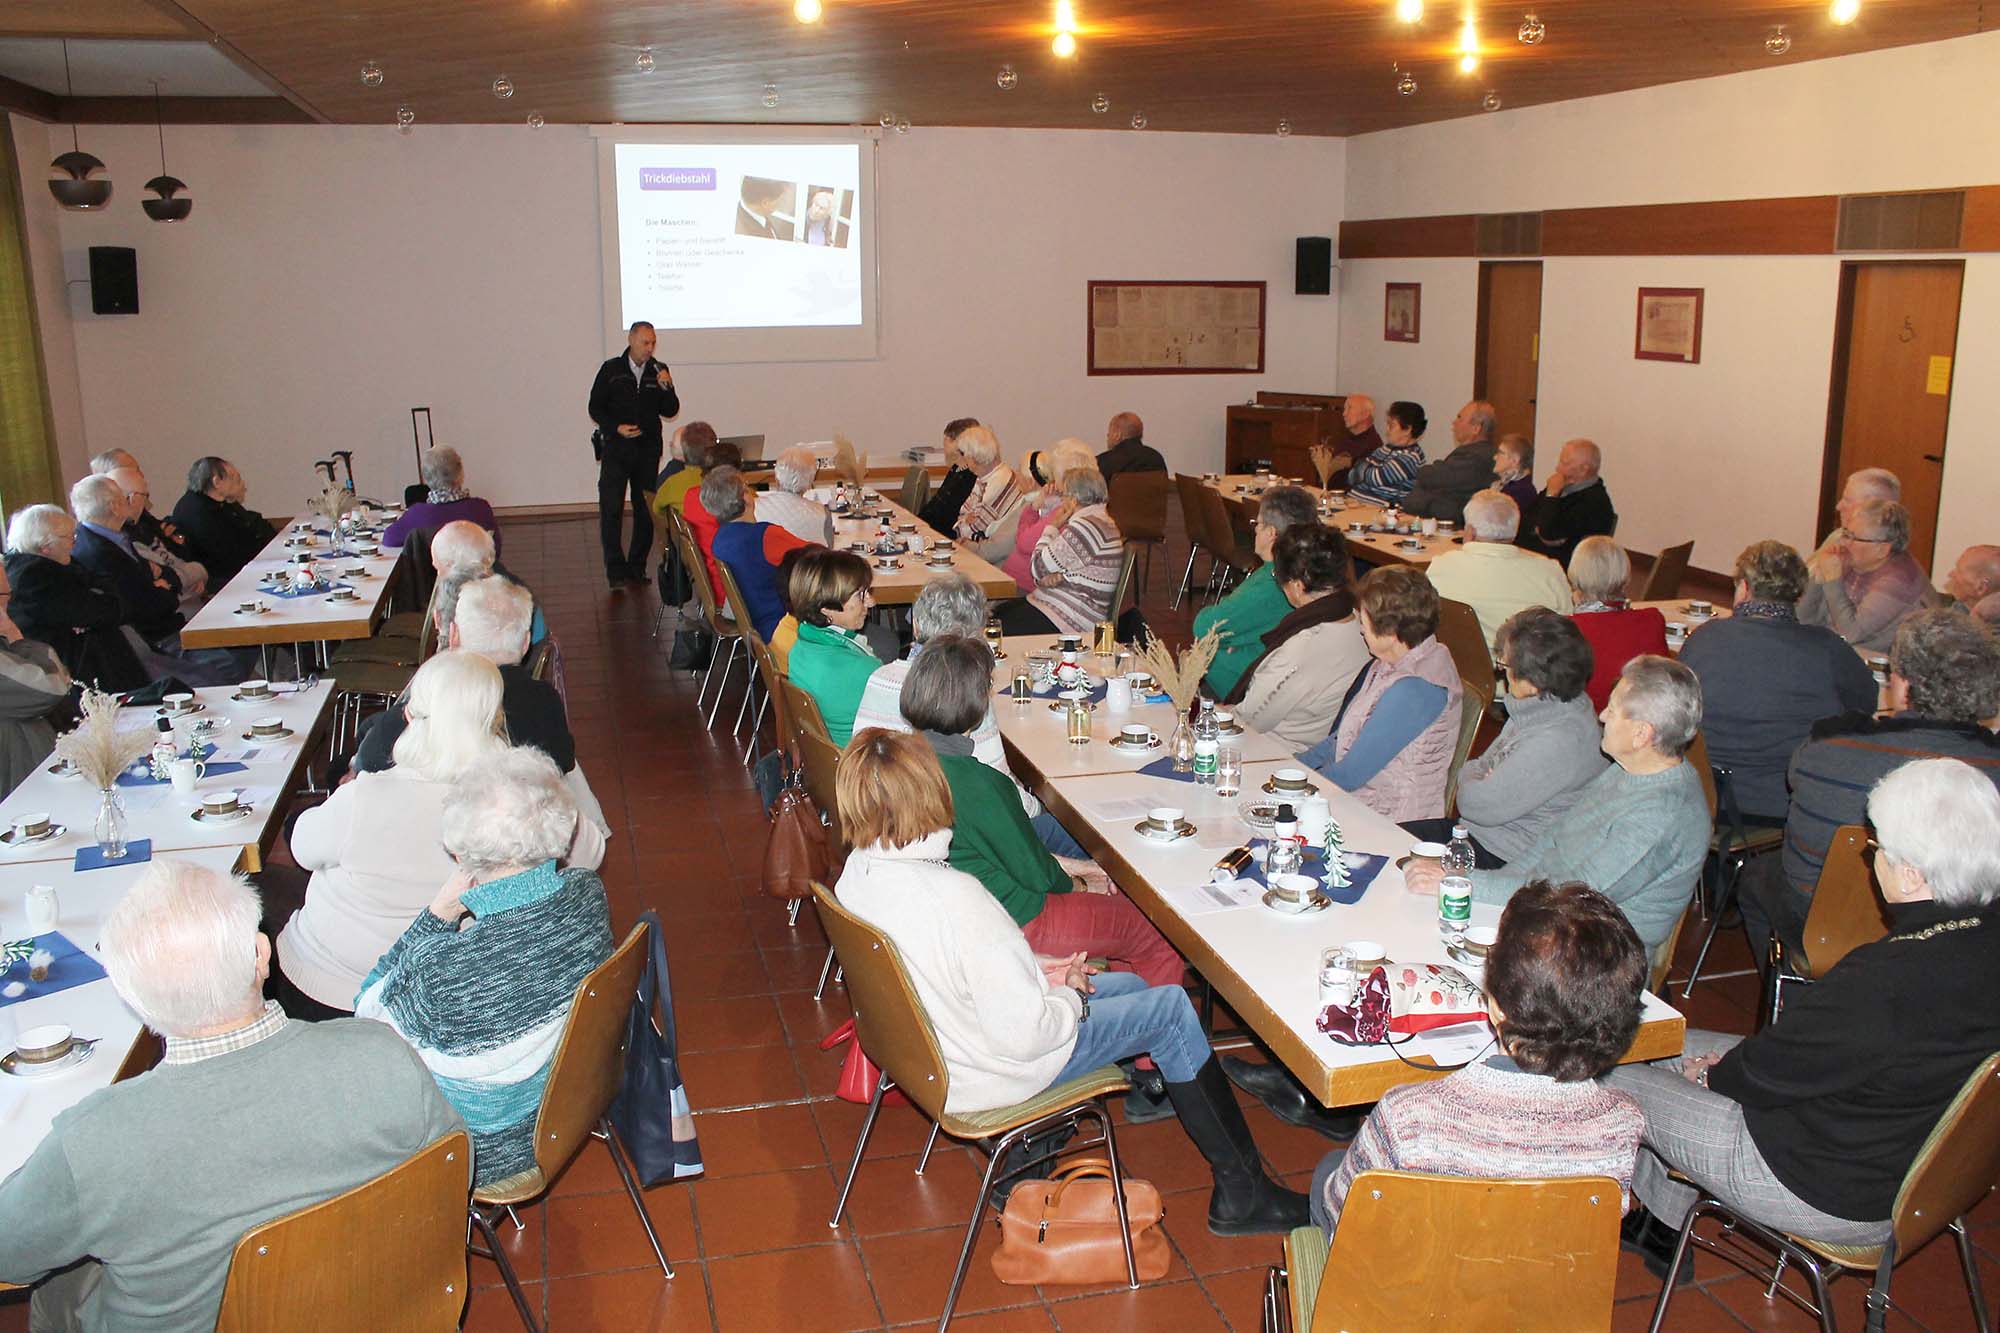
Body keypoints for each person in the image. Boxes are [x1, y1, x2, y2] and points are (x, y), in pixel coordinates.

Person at [832, 728, 1307, 1235]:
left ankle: (1036, 1148)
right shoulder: (956, 898)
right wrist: (1068, 997)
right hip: (992, 1067)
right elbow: (1027, 1034)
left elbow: (951, 967)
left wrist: (1039, 969)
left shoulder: (858, 876)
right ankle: (1243, 1192)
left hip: (935, 1056)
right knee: (1171, 1010)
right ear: (933, 794)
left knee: (1134, 993)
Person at [0, 859, 464, 1332]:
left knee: (54, 1288)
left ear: (131, 996)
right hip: (385, 1310)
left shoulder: (91, 1142)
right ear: (262, 953)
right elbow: (452, 1169)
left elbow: (7, 1256)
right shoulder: (382, 1052)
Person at [1607, 758, 2000, 1283]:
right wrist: (1723, 1071)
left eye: (1877, 848)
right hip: (1912, 1168)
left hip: (1817, 1184)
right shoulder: (1979, 943)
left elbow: (1768, 1073)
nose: (1872, 860)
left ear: (1910, 874)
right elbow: (1809, 1057)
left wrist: (1710, 1077)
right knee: (1664, 1042)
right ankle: (1661, 1226)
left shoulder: (1888, 977)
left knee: (1612, 1064)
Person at [274, 652, 605, 1020]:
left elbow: (302, 848)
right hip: (449, 996)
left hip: (331, 991)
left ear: (409, 716)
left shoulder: (363, 795)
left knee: (274, 889)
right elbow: (589, 853)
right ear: (496, 718)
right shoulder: (516, 799)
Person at [1309, 881, 1646, 1237]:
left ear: (1496, 1007)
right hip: (1546, 1271)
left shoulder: (1410, 1118)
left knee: (1329, 1173)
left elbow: (1342, 1213)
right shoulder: (1621, 1124)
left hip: (1421, 1271)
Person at [355, 748, 615, 1188]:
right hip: (572, 1106)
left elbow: (365, 1013)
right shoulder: (586, 892)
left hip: (485, 1152)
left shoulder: (439, 970)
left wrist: (438, 913)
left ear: (460, 856)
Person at [1405, 655, 1711, 964]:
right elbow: (1552, 839)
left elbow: (1578, 893)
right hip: (1550, 916)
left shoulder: (1662, 814)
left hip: (1596, 956)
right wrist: (1486, 885)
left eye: (1613, 710)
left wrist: (1467, 885)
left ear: (1641, 734)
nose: (1602, 715)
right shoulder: (1627, 770)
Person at [1737, 609, 2000, 962]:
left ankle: (1792, 986)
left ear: (1903, 684)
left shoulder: (1831, 744)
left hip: (1821, 922)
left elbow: (1794, 779)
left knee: (1756, 876)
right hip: (1961, 939)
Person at [850, 575, 1077, 850]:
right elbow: (997, 787)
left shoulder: (880, 677)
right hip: (945, 833)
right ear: (976, 634)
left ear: (917, 625)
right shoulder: (964, 692)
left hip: (878, 822)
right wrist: (1040, 806)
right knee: (1072, 832)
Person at [1679, 541, 1876, 822]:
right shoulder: (1828, 648)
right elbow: (1866, 703)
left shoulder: (1704, 639)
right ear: (1798, 595)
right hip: (1784, 803)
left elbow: (1677, 709)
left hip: (1702, 795)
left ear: (1744, 588)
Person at [1404, 608, 1607, 867]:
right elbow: (1478, 767)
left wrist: (1478, 776)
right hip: (1478, 834)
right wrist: (1480, 774)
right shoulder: (1541, 706)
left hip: (1504, 855)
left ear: (1534, 682)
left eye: (1505, 666)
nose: (1500, 671)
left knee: (1387, 854)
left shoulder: (1557, 740)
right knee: (1384, 837)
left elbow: (1474, 804)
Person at [353, 576, 577, 776]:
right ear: (526, 642)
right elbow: (563, 761)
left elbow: (369, 761)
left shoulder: (433, 698)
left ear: (454, 637)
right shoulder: (544, 699)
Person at [1297, 566, 1464, 821]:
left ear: (1390, 633)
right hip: (1363, 803)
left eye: (1364, 621)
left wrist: (1296, 787)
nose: (1360, 629)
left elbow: (1350, 775)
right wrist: (1295, 766)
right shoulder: (1389, 662)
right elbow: (1341, 739)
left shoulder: (1416, 689)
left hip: (1394, 822)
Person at [1225, 525, 1370, 749]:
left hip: (1279, 753)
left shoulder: (1301, 648)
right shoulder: (1357, 620)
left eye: (1278, 577)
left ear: (1297, 586)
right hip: (1325, 742)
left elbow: (1249, 721)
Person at [4, 504, 149, 692]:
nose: (75, 542)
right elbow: (102, 611)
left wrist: (94, 611)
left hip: (87, 660)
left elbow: (109, 595)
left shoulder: (58, 565)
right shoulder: (35, 577)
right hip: (72, 672)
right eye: (70, 537)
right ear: (45, 545)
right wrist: (95, 609)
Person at [1196, 485, 1320, 699]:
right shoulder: (1299, 571)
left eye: (1258, 523)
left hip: (1240, 688)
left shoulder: (1272, 585)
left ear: (1271, 533)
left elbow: (1204, 626)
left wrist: (1223, 642)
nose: (1254, 530)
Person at [587, 320, 680, 588]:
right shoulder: (611, 370)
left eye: (653, 343)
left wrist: (667, 387)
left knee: (645, 510)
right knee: (611, 508)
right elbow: (595, 407)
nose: (650, 348)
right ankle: (616, 571)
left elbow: (670, 410)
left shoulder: (659, 370)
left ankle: (637, 567)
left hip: (647, 450)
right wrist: (615, 428)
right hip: (616, 449)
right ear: (631, 340)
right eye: (645, 342)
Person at [1424, 489, 1574, 650]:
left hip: (1467, 663)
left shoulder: (1442, 566)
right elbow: (1569, 626)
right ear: (1514, 531)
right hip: (1538, 663)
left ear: (1470, 532)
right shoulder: (1551, 571)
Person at [999, 467, 1124, 636]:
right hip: (1059, 603)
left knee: (997, 626)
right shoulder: (1101, 521)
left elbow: (1037, 566)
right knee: (999, 613)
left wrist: (1052, 527)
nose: (1061, 501)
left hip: (1071, 617)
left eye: (1063, 496)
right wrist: (1048, 577)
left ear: (1073, 500)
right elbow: (1046, 569)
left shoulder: (1085, 528)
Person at [1799, 498, 1932, 651]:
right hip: (1832, 650)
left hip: (1872, 661)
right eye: (1846, 533)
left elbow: (1851, 634)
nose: (1843, 543)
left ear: (1882, 549)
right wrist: (1819, 575)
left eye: (1853, 538)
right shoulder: (1852, 560)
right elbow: (1801, 619)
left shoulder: (1899, 581)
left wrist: (1833, 581)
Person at [786, 549, 886, 746]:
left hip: (823, 756)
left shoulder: (799, 648)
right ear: (827, 609)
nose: (871, 602)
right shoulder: (863, 670)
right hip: (859, 758)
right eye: (860, 595)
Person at [69, 474, 183, 645]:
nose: (128, 501)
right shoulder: (101, 552)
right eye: (123, 497)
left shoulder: (114, 536)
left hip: (164, 625)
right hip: (155, 638)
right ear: (114, 506)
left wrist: (163, 585)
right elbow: (145, 606)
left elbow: (164, 574)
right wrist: (165, 591)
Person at [708, 466, 813, 639]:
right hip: (781, 627)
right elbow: (816, 554)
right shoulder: (765, 536)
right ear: (746, 499)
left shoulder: (719, 539)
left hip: (754, 624)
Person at [1568, 535, 1667, 713]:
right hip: (1644, 716)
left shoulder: (1568, 630)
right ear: (1626, 577)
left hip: (1589, 720)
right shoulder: (1653, 620)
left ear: (1575, 580)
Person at [0, 556, 72, 798]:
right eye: (4, 595)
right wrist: (17, 638)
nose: (7, 604)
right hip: (19, 794)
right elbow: (53, 688)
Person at [103, 462, 206, 611]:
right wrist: (196, 573)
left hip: (187, 597)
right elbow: (166, 580)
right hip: (174, 610)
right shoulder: (124, 539)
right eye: (145, 495)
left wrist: (196, 576)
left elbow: (176, 557)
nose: (146, 502)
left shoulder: (143, 524)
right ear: (132, 498)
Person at [1002, 439, 1097, 593]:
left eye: (1055, 475)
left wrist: (1033, 509)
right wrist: (1036, 506)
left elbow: (1023, 543)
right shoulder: (1058, 505)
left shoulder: (1065, 510)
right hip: (1019, 583)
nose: (1052, 481)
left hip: (1026, 588)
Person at [169, 456, 277, 586]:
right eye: (235, 479)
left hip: (236, 568)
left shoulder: (220, 502)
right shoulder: (198, 511)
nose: (241, 483)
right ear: (217, 482)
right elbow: (228, 554)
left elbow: (252, 526)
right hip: (221, 579)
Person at [1518, 438, 1617, 567]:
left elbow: (1548, 533)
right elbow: (1525, 518)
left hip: (1561, 566)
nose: (1557, 467)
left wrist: (1551, 496)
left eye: (1564, 463)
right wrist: (1538, 529)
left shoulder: (1594, 502)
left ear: (1584, 469)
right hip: (1535, 556)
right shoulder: (1560, 486)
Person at [382, 446, 499, 551]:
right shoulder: (481, 508)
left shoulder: (417, 514)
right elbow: (495, 548)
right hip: (476, 568)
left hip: (433, 569)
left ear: (426, 478)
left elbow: (388, 538)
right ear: (461, 473)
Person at [1400, 400, 1497, 524]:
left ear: (1476, 428)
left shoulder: (1476, 457)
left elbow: (1433, 476)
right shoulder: (1473, 452)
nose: (1454, 422)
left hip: (1449, 525)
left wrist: (1424, 473)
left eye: (1460, 418)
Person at [951, 424, 1025, 564]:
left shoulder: (1000, 480)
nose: (964, 460)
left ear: (974, 457)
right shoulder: (984, 477)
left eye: (964, 454)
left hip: (994, 559)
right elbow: (962, 514)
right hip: (980, 551)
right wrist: (965, 520)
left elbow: (974, 530)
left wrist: (965, 521)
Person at [1344, 400, 1428, 509]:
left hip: (1378, 510)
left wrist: (1362, 468)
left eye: (1391, 425)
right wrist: (1363, 470)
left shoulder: (1411, 457)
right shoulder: (1385, 449)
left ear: (1407, 430)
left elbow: (1376, 478)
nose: (1387, 430)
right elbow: (1351, 476)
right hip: (1355, 503)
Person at [1809, 466, 1900, 566]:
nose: (1838, 506)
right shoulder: (1838, 535)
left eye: (1847, 501)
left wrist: (1831, 574)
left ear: (1871, 509)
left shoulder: (1867, 556)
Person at [757, 444, 836, 546]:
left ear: (776, 477)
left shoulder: (755, 507)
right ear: (811, 481)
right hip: (809, 556)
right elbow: (829, 549)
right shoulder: (822, 513)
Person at [917, 417, 983, 535]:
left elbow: (949, 515)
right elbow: (935, 504)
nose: (944, 442)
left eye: (949, 439)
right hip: (930, 529)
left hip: (943, 535)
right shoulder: (955, 469)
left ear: (960, 443)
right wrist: (917, 522)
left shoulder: (970, 476)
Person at [650, 420, 718, 519]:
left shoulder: (672, 482)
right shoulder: (723, 480)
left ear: (684, 451)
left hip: (686, 528)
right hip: (717, 528)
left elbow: (656, 509)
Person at [1316, 393, 1382, 486]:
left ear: (1366, 414)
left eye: (1350, 408)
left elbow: (1357, 481)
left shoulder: (1373, 445)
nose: (1344, 414)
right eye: (1344, 409)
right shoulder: (1344, 439)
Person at [1096, 411, 1165, 482]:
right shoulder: (1156, 458)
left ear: (1118, 435)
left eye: (1109, 433)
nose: (1108, 436)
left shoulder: (1102, 462)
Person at [1941, 543, 2000, 626]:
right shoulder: (1963, 606)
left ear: (1980, 587)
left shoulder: (1960, 628)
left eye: (1959, 571)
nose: (1950, 574)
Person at [1491, 432, 1539, 518]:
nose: (1495, 457)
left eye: (1500, 453)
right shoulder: (1504, 486)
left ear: (1515, 460)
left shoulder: (1522, 491)